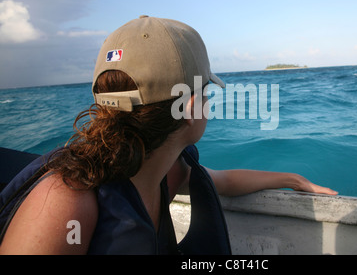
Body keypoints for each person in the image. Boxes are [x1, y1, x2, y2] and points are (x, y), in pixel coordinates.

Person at [0, 16, 337, 255]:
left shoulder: (163, 170)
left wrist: (293, 179)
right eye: (207, 92)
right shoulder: (66, 202)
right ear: (190, 109)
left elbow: (220, 181)